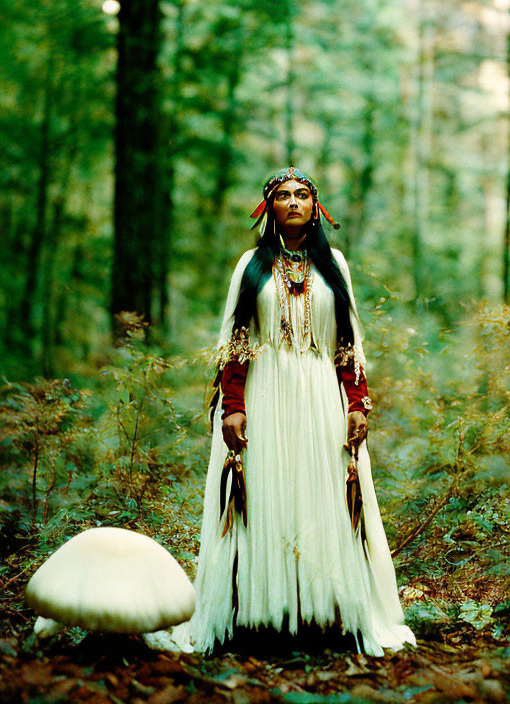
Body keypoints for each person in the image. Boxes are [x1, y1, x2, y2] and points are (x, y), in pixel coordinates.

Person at [188, 166, 416, 656]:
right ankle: (260, 617)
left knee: (323, 492)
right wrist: (232, 406)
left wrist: (357, 404)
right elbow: (236, 342)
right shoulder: (250, 266)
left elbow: (348, 343)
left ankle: (325, 614)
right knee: (269, 492)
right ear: (269, 207)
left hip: (319, 396)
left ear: (316, 207)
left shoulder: (335, 266)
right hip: (266, 394)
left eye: (303, 194)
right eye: (283, 195)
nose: (293, 201)